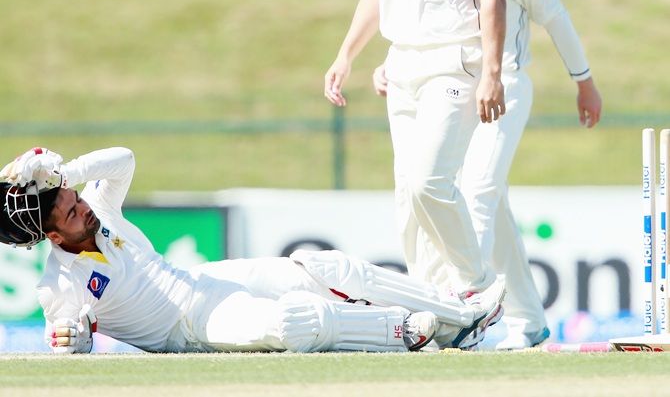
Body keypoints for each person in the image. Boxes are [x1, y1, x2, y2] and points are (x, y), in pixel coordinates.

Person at [372, 0, 603, 350]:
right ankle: (529, 319)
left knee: (476, 188)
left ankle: (464, 305)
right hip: (452, 79)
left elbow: (555, 17)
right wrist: (393, 63)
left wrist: (583, 81)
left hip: (507, 85)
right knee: (487, 202)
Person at [0, 146, 506, 354]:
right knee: (291, 323)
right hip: (188, 328)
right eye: (70, 212)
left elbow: (124, 159)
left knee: (325, 266)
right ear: (53, 237)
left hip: (202, 279)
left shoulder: (98, 208)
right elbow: (69, 341)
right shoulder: (57, 285)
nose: (82, 209)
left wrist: (66, 176)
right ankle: (406, 333)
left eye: (74, 198)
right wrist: (76, 335)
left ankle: (460, 313)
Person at [324, 0, 512, 310]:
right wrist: (346, 55)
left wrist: (492, 74)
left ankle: (474, 283)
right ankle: (434, 302)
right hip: (402, 65)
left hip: (454, 64)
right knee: (409, 199)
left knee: (431, 182)